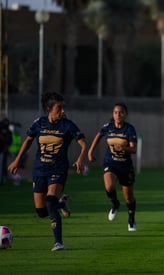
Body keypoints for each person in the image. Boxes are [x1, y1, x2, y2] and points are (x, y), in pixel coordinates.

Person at [8, 92, 87, 251]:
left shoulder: (68, 125)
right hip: (39, 170)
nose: (63, 111)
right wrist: (17, 160)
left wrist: (80, 159)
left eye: (64, 108)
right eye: (59, 108)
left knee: (50, 201)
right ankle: (62, 203)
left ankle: (58, 242)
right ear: (49, 108)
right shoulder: (39, 123)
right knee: (41, 211)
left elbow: (84, 143)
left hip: (58, 169)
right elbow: (28, 140)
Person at [88, 103, 138, 232]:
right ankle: (115, 204)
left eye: (121, 112)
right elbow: (98, 136)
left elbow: (134, 149)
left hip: (125, 167)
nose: (118, 115)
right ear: (113, 114)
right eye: (115, 112)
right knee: (109, 186)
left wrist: (124, 148)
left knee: (129, 198)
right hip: (110, 163)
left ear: (125, 114)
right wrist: (90, 152)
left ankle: (131, 219)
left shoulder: (129, 129)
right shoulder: (108, 127)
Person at [0, 118, 12, 185]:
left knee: (3, 166)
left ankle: (2, 179)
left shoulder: (8, 131)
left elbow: (9, 142)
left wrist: (6, 148)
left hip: (2, 151)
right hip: (2, 150)